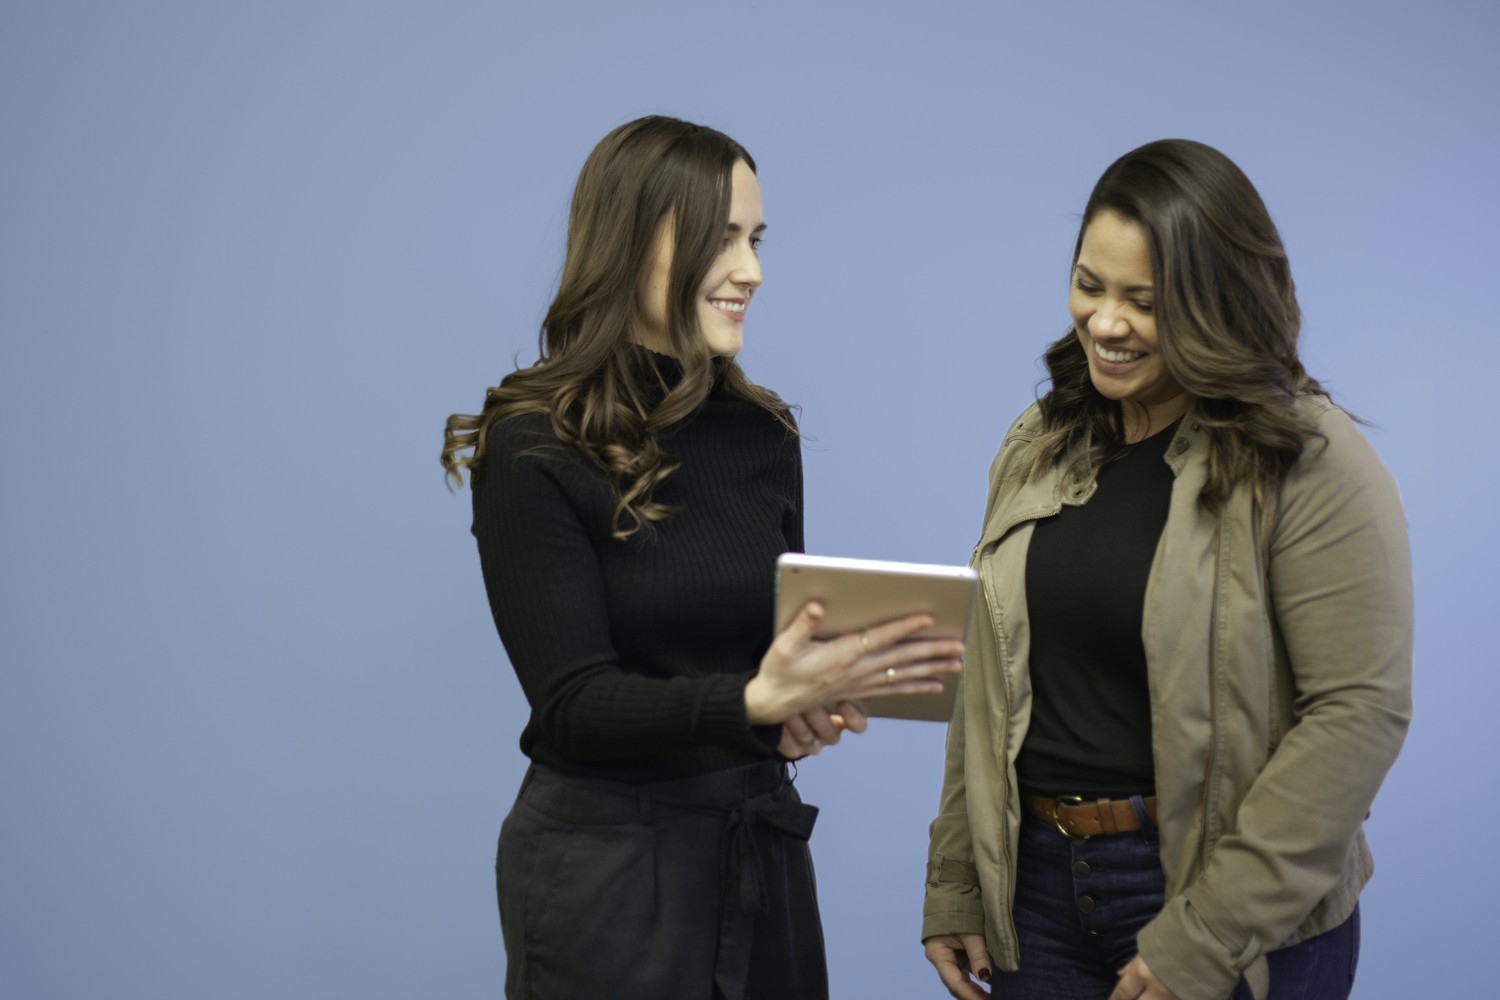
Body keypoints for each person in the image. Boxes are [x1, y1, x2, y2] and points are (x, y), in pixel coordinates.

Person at [441, 115, 963, 1000]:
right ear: (632, 240)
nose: (752, 271)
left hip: (757, 849)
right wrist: (752, 701)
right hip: (606, 873)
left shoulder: (764, 430)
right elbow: (572, 706)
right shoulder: (533, 444)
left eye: (755, 239)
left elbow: (752, 667)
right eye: (721, 239)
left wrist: (788, 709)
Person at [921, 139, 1412, 1000]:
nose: (1105, 323)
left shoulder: (1309, 458)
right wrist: (960, 874)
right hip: (1035, 893)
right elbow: (989, 680)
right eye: (1089, 285)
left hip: (1216, 899)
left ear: (1217, 300)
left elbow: (1356, 715)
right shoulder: (1039, 444)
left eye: (1144, 302)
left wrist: (1209, 932)